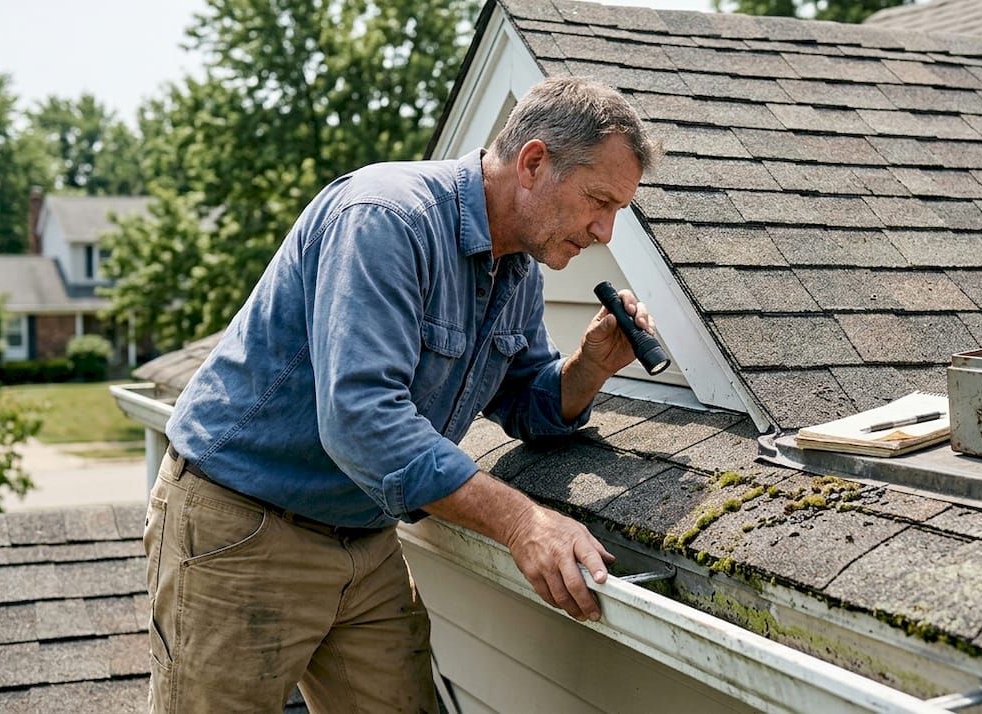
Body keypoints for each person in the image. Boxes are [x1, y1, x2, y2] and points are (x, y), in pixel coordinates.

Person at [147, 76, 663, 713]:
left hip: (362, 538)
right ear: (534, 162)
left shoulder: (518, 266)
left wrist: (590, 366)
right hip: (245, 526)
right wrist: (523, 521)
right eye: (599, 200)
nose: (606, 231)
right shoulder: (387, 219)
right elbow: (362, 420)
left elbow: (527, 397)